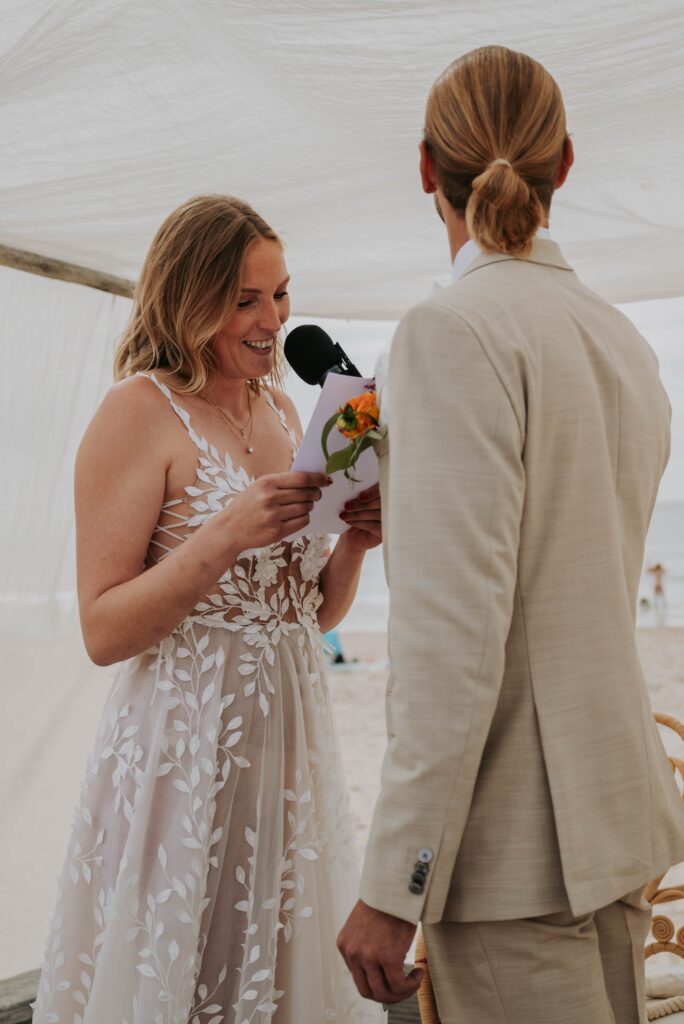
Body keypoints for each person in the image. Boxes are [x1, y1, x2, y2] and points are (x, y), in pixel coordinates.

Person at [338, 45, 684, 1024]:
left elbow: (453, 642)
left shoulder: (448, 334)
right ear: (564, 164)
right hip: (614, 826)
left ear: (423, 170)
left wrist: (391, 882)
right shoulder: (623, 341)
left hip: (511, 861)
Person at [32, 195, 385, 1024]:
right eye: (246, 299)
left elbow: (308, 615)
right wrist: (221, 536)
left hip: (288, 766)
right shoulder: (137, 412)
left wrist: (356, 547)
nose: (274, 319)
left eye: (282, 293)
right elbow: (102, 629)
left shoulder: (292, 411)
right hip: (178, 768)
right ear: (189, 299)